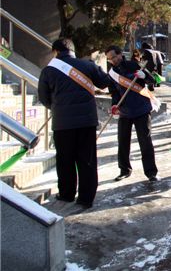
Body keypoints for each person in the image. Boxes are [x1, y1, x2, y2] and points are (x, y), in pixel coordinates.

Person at [38, 38, 113, 209]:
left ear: (55, 52)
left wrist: (58, 108)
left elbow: (44, 98)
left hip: (62, 123)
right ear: (73, 51)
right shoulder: (87, 65)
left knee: (65, 160)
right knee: (87, 160)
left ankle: (66, 193)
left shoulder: (49, 71)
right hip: (87, 121)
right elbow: (105, 82)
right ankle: (86, 198)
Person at [105, 45, 160, 182]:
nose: (112, 61)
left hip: (141, 108)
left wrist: (144, 76)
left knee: (145, 141)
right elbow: (114, 92)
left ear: (119, 54)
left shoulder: (133, 64)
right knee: (123, 141)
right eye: (109, 59)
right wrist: (115, 104)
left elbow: (152, 80)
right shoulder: (111, 73)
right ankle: (124, 170)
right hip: (125, 111)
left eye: (113, 57)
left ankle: (151, 172)